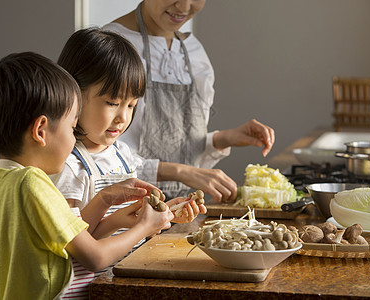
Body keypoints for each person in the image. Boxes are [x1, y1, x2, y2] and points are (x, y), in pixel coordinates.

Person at [0, 51, 174, 300]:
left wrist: (104, 202)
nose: (73, 139)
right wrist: (144, 227)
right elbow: (94, 257)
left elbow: (69, 243)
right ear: (40, 130)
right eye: (71, 128)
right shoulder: (33, 184)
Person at [52, 28, 207, 298]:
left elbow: (119, 228)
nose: (123, 117)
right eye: (112, 103)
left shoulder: (122, 154)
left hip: (122, 284)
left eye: (132, 105)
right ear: (73, 96)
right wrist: (143, 226)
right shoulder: (69, 166)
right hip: (85, 293)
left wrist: (163, 216)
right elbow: (75, 242)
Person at [103, 0, 276, 202]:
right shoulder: (111, 46)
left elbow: (177, 148)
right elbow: (100, 158)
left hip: (181, 210)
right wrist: (178, 171)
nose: (184, 6)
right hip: (125, 213)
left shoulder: (193, 52)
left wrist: (222, 139)